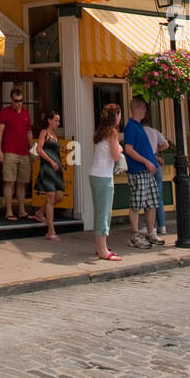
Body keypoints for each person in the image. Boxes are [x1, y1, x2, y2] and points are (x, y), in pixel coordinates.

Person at [122, 95, 165, 250]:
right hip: (138, 171)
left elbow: (142, 149)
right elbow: (129, 150)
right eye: (145, 108)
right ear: (139, 108)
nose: (146, 111)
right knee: (136, 203)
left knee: (152, 203)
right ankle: (135, 235)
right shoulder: (131, 127)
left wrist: (153, 158)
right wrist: (146, 162)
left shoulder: (139, 127)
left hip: (148, 171)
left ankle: (150, 233)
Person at [89, 102, 123, 261]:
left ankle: (99, 246)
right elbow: (116, 156)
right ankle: (103, 250)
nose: (120, 117)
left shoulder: (101, 132)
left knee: (99, 211)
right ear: (115, 116)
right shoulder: (113, 133)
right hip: (104, 176)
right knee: (104, 212)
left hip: (95, 174)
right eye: (119, 114)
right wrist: (121, 149)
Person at [0, 87, 34, 220]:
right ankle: (9, 211)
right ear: (11, 100)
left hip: (24, 151)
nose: (19, 103)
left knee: (22, 183)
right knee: (9, 181)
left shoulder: (25, 113)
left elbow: (29, 132)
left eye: (21, 100)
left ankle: (22, 210)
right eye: (16, 100)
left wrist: (32, 149)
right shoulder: (5, 113)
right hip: (10, 150)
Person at [34, 110, 64, 241]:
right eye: (56, 120)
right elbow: (39, 149)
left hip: (57, 170)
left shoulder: (56, 136)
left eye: (58, 120)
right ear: (49, 120)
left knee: (59, 196)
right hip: (47, 168)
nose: (58, 123)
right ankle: (51, 231)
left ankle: (40, 212)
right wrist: (51, 161)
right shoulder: (44, 133)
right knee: (51, 198)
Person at [141, 103, 171, 237]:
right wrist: (156, 152)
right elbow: (166, 144)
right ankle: (162, 226)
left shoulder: (140, 132)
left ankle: (150, 227)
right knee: (158, 197)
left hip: (146, 165)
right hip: (156, 165)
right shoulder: (154, 132)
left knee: (148, 197)